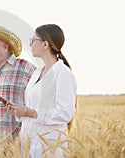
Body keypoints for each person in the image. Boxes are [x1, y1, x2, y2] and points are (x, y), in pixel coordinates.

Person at [7, 24, 77, 157]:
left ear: (45, 45)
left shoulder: (63, 74)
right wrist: (18, 111)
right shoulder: (36, 74)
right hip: (29, 147)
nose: (30, 44)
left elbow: (65, 112)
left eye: (33, 40)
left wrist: (30, 112)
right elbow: (33, 109)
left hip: (49, 148)